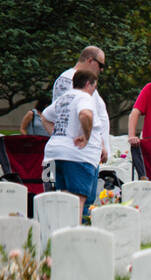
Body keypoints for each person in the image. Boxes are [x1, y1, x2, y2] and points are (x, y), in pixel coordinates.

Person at [41, 69, 106, 219]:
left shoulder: (64, 98)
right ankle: (72, 236)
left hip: (52, 155)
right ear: (89, 84)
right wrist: (85, 136)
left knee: (60, 198)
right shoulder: (84, 97)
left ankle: (56, 235)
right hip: (77, 157)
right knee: (77, 200)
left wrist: (58, 136)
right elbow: (85, 114)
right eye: (94, 87)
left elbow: (45, 116)